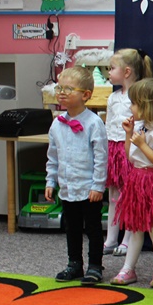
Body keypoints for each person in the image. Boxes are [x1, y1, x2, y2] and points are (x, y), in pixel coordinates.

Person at [109, 78, 153, 288]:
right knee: (135, 228)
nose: (131, 108)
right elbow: (130, 157)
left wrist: (142, 144)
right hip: (137, 181)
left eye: (134, 103)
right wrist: (129, 134)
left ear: (148, 106)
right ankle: (128, 269)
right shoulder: (141, 128)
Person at [47, 66, 108, 284]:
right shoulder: (56, 124)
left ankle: (95, 266)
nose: (61, 93)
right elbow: (53, 155)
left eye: (68, 89)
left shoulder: (94, 123)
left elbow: (101, 157)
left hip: (88, 188)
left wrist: (98, 185)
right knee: (71, 227)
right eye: (59, 88)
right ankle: (74, 264)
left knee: (92, 228)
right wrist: (50, 180)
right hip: (67, 187)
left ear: (86, 95)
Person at [103, 48, 153, 257]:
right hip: (113, 149)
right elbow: (108, 125)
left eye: (112, 68)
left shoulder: (138, 96)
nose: (108, 72)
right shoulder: (113, 97)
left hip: (131, 148)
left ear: (127, 72)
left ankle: (128, 239)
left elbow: (144, 124)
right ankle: (111, 238)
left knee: (129, 196)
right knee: (114, 195)